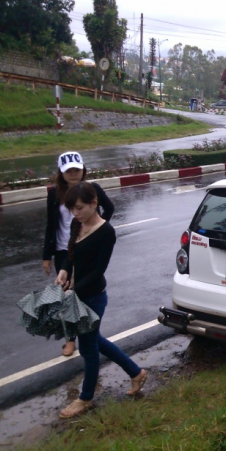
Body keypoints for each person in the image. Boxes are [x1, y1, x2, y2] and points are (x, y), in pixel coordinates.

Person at [55, 181, 147, 419]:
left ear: (94, 204)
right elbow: (71, 253)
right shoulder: (79, 225)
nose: (75, 213)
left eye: (79, 208)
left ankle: (85, 399)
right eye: (72, 209)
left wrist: (73, 292)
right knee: (95, 340)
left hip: (93, 297)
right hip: (75, 294)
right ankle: (136, 373)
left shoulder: (106, 232)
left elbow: (98, 271)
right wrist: (64, 270)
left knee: (88, 348)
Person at [43, 151, 114, 357]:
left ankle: (88, 333)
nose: (74, 174)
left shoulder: (93, 190)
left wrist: (97, 231)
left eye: (77, 169)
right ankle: (70, 339)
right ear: (61, 173)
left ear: (83, 169)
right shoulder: (54, 193)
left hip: (85, 247)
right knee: (64, 294)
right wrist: (46, 255)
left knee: (81, 291)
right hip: (63, 250)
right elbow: (50, 224)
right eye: (69, 171)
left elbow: (108, 208)